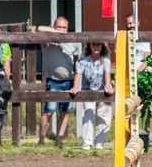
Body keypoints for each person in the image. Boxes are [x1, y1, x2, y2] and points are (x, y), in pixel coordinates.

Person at [34, 17, 81, 148]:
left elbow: (76, 58)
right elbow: (39, 28)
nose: (61, 30)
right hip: (52, 81)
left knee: (64, 112)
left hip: (68, 81)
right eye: (59, 27)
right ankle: (41, 141)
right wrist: (57, 33)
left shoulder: (72, 41)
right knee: (48, 112)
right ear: (54, 27)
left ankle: (58, 141)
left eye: (64, 28)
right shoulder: (48, 40)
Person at [70, 41, 114, 150]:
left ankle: (99, 142)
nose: (96, 47)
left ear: (102, 46)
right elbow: (78, 72)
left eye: (98, 44)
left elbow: (107, 72)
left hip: (102, 89)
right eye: (93, 44)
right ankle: (87, 142)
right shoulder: (83, 56)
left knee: (103, 115)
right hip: (88, 89)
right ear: (89, 45)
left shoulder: (105, 57)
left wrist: (107, 87)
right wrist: (75, 87)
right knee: (88, 112)